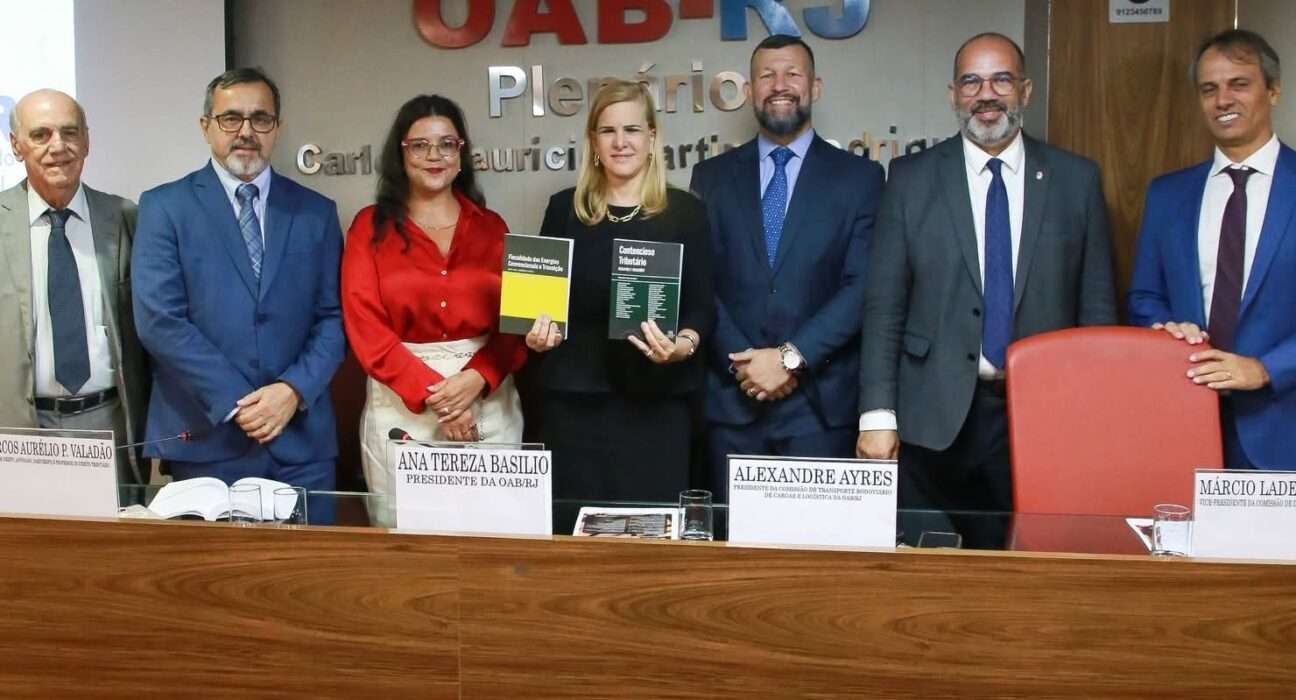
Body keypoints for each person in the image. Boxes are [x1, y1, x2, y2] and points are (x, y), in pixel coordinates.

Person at [857, 32, 1117, 543]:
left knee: (1031, 577)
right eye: (971, 81)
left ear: (1025, 90)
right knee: (933, 583)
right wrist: (876, 415)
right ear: (953, 94)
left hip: (1045, 416)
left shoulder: (1076, 180)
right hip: (932, 418)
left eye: (1001, 79)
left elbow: (1098, 311)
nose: (986, 94)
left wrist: (1095, 422)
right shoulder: (910, 179)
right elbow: (884, 307)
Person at [132, 68, 345, 510]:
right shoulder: (163, 207)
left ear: (277, 128)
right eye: (231, 119)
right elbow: (160, 320)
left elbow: (334, 317)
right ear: (205, 126)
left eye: (260, 119)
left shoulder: (315, 213)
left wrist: (291, 392)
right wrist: (239, 402)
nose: (246, 132)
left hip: (301, 441)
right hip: (206, 439)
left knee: (312, 578)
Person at [690, 34, 884, 497]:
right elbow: (700, 283)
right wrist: (745, 366)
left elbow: (863, 287)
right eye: (766, 75)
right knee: (732, 563)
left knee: (819, 562)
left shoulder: (861, 178)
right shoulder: (710, 178)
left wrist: (790, 359)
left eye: (792, 74)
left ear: (815, 87)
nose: (780, 85)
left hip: (821, 408)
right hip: (732, 406)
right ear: (751, 90)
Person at [342, 95, 526, 525]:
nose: (434, 156)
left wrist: (477, 380)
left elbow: (516, 327)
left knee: (494, 541)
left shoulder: (492, 227)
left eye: (446, 144)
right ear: (400, 153)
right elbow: (364, 325)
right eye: (420, 145)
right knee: (410, 547)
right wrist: (441, 399)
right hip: (402, 409)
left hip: (488, 405)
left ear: (461, 153)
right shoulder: (369, 228)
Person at [527, 79, 713, 502]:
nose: (621, 142)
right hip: (575, 406)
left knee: (652, 542)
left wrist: (682, 345)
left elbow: (702, 306)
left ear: (651, 138)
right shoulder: (564, 209)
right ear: (593, 141)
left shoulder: (686, 211)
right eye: (608, 131)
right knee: (576, 542)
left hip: (658, 406)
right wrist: (536, 336)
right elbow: (542, 305)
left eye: (632, 130)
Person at [1129, 29, 1294, 469]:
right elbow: (1145, 298)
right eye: (1209, 89)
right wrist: (1166, 329)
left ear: (1273, 90)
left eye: (1239, 84)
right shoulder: (1168, 194)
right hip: (1182, 422)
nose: (1223, 100)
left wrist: (1266, 369)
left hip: (1283, 429)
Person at [1, 89, 150, 488]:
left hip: (108, 422)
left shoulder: (124, 217)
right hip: (18, 430)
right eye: (41, 135)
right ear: (16, 146)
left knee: (112, 548)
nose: (58, 147)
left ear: (87, 141)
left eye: (70, 132)